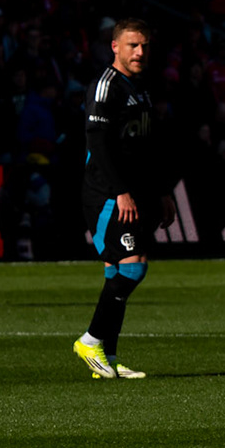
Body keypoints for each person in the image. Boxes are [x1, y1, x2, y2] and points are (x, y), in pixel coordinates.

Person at [73, 19, 176, 380]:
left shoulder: (141, 89)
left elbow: (150, 147)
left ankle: (109, 356)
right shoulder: (106, 87)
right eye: (133, 45)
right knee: (133, 267)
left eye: (145, 45)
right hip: (107, 194)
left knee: (117, 271)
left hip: (137, 193)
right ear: (114, 46)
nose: (140, 52)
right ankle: (90, 340)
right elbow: (96, 143)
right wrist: (119, 191)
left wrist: (163, 190)